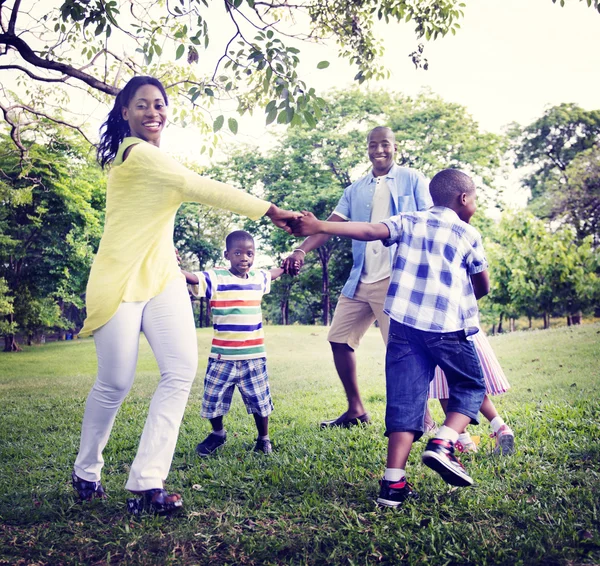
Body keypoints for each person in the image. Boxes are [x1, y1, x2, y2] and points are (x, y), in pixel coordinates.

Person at [71, 76, 300, 515]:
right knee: (115, 382)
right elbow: (201, 186)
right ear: (125, 112)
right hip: (118, 281)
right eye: (142, 105)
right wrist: (272, 211)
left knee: (180, 371)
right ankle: (86, 471)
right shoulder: (138, 156)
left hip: (162, 278)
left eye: (159, 104)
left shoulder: (155, 159)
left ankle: (146, 483)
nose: (153, 111)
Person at [291, 168, 489, 507]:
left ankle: (392, 485)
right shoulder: (468, 233)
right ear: (464, 199)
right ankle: (443, 443)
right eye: (474, 200)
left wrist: (321, 226)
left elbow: (368, 230)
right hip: (446, 327)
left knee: (405, 401)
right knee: (470, 387)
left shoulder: (410, 220)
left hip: (403, 328)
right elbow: (482, 284)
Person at [283, 126, 432, 428]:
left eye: (385, 144)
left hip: (396, 278)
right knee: (339, 339)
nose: (379, 150)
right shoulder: (356, 189)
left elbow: (430, 220)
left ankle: (424, 419)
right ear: (367, 148)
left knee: (403, 352)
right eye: (373, 145)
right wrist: (300, 250)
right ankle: (356, 411)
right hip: (361, 279)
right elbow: (326, 226)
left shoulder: (412, 179)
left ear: (395, 146)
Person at [181, 230, 282, 457]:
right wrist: (173, 269)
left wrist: (288, 265)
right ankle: (218, 434)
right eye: (238, 253)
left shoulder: (258, 278)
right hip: (222, 357)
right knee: (212, 400)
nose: (244, 258)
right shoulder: (217, 277)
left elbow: (272, 273)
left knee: (260, 401)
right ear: (227, 255)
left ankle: (263, 438)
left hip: (253, 356)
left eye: (249, 253)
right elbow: (195, 278)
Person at [430, 331, 515, 455]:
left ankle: (464, 442)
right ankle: (501, 427)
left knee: (445, 390)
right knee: (471, 386)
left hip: (441, 338)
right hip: (468, 333)